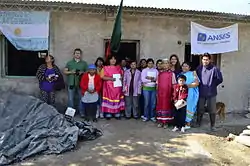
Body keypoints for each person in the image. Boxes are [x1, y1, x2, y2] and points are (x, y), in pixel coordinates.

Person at [196, 53, 223, 131]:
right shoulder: (199, 68)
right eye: (204, 59)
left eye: (207, 60)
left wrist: (212, 85)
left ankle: (212, 126)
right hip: (201, 92)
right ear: (202, 60)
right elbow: (196, 78)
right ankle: (198, 123)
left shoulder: (214, 69)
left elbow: (220, 79)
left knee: (212, 109)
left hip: (211, 93)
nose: (205, 61)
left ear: (210, 60)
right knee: (200, 108)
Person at [64, 48, 88, 117]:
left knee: (81, 98)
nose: (77, 54)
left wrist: (81, 72)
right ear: (74, 54)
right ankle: (70, 114)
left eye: (79, 53)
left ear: (81, 55)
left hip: (81, 83)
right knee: (70, 99)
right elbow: (65, 71)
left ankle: (82, 113)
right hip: (71, 83)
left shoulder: (84, 63)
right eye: (76, 53)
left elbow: (87, 73)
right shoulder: (69, 63)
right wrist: (71, 72)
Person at [100, 55, 125, 120]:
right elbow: (102, 77)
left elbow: (122, 76)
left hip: (117, 87)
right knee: (109, 99)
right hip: (108, 87)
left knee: (117, 98)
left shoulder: (119, 68)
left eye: (114, 59)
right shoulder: (105, 68)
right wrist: (111, 79)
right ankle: (109, 112)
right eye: (111, 59)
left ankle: (117, 112)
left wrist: (121, 78)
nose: (113, 60)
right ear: (109, 60)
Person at [156, 58, 176, 128]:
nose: (165, 65)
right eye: (164, 63)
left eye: (167, 63)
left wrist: (173, 94)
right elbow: (157, 84)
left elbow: (174, 84)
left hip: (168, 93)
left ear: (169, 65)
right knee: (160, 106)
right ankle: (160, 121)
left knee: (167, 106)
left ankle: (166, 122)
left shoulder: (172, 74)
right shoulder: (159, 74)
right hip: (160, 94)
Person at [181, 62, 199, 130]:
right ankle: (183, 122)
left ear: (189, 67)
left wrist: (186, 86)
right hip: (182, 93)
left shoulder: (193, 73)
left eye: (186, 66)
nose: (184, 67)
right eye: (183, 66)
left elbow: (196, 83)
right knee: (182, 107)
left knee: (189, 107)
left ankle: (188, 123)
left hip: (191, 94)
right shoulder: (181, 74)